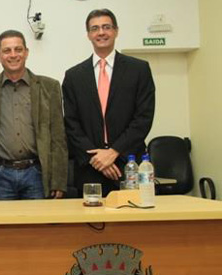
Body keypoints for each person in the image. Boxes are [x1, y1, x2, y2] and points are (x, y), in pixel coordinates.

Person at [62, 8, 155, 196]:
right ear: (88, 35)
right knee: (92, 223)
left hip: (128, 165)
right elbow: (71, 123)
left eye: (106, 27)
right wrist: (98, 158)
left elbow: (143, 118)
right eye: (95, 28)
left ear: (116, 31)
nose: (101, 32)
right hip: (90, 167)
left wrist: (114, 152)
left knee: (132, 221)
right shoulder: (74, 76)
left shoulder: (139, 70)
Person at [0, 30, 67, 200]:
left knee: (37, 226)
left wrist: (58, 180)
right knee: (1, 226)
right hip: (0, 175)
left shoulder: (49, 87)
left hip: (36, 173)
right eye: (7, 51)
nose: (13, 55)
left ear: (26, 53)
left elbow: (58, 137)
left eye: (18, 49)